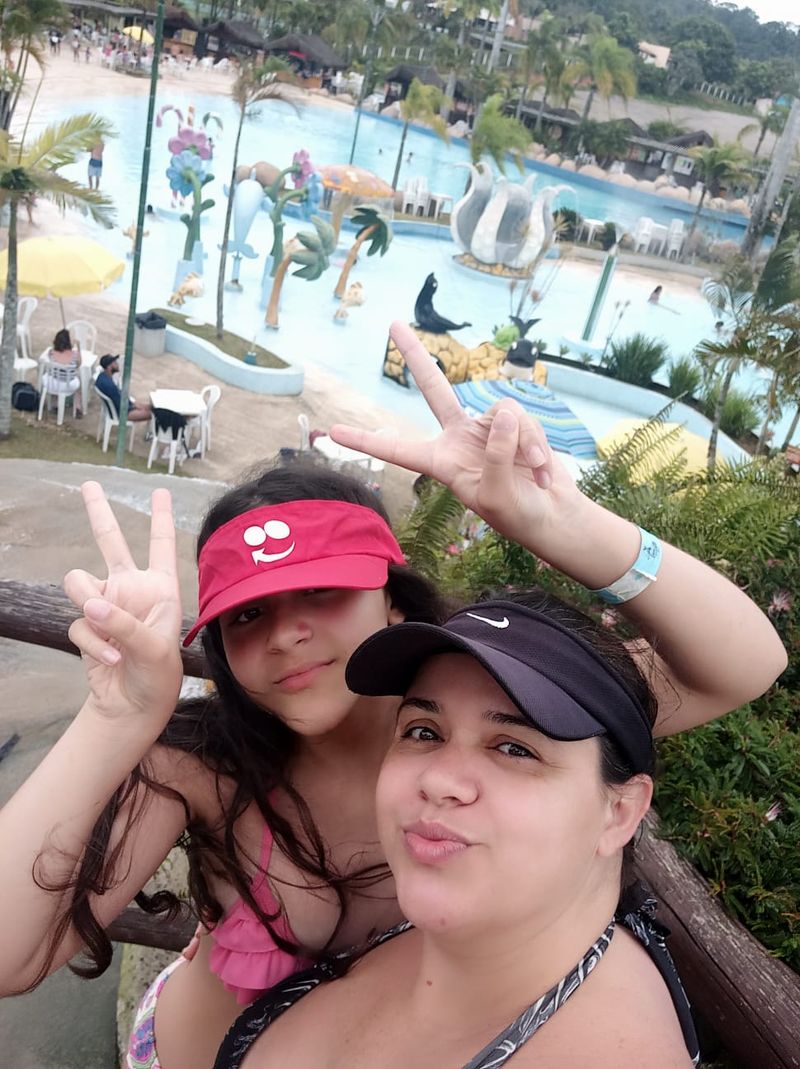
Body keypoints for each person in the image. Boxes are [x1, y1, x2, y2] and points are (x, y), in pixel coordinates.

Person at [0, 323, 786, 1069]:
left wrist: (559, 522)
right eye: (246, 615)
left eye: (322, 591)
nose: (286, 634)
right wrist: (118, 715)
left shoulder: (496, 706)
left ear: (395, 603)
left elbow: (746, 662)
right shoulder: (205, 763)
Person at [214, 592, 700, 1068]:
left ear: (620, 812)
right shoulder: (429, 925)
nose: (438, 780)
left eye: (515, 748)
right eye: (423, 732)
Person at [94, 353, 151, 422]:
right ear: (109, 367)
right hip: (122, 413)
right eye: (115, 363)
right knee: (153, 414)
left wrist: (134, 404)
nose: (117, 364)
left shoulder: (102, 376)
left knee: (150, 407)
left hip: (120, 407)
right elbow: (122, 406)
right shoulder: (110, 386)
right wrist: (135, 406)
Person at [42, 328, 82, 417]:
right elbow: (79, 364)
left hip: (53, 384)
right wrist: (78, 347)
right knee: (78, 383)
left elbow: (53, 351)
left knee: (53, 376)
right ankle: (78, 407)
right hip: (68, 385)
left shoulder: (51, 353)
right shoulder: (74, 355)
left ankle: (55, 404)